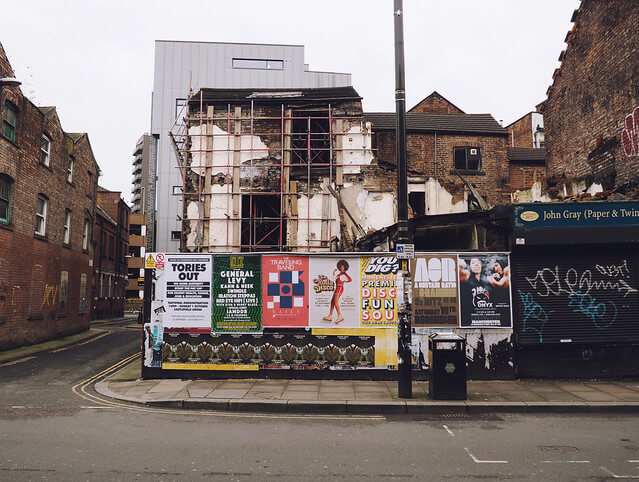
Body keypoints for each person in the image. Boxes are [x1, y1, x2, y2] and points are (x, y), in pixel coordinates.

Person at [323, 260, 352, 324]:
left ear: (345, 268)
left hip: (340, 288)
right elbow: (333, 279)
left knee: (335, 302)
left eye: (343, 267)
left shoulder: (344, 275)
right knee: (332, 301)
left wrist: (345, 276)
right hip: (337, 288)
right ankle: (330, 316)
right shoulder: (339, 275)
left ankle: (340, 316)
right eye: (341, 267)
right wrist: (334, 273)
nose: (342, 268)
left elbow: (349, 280)